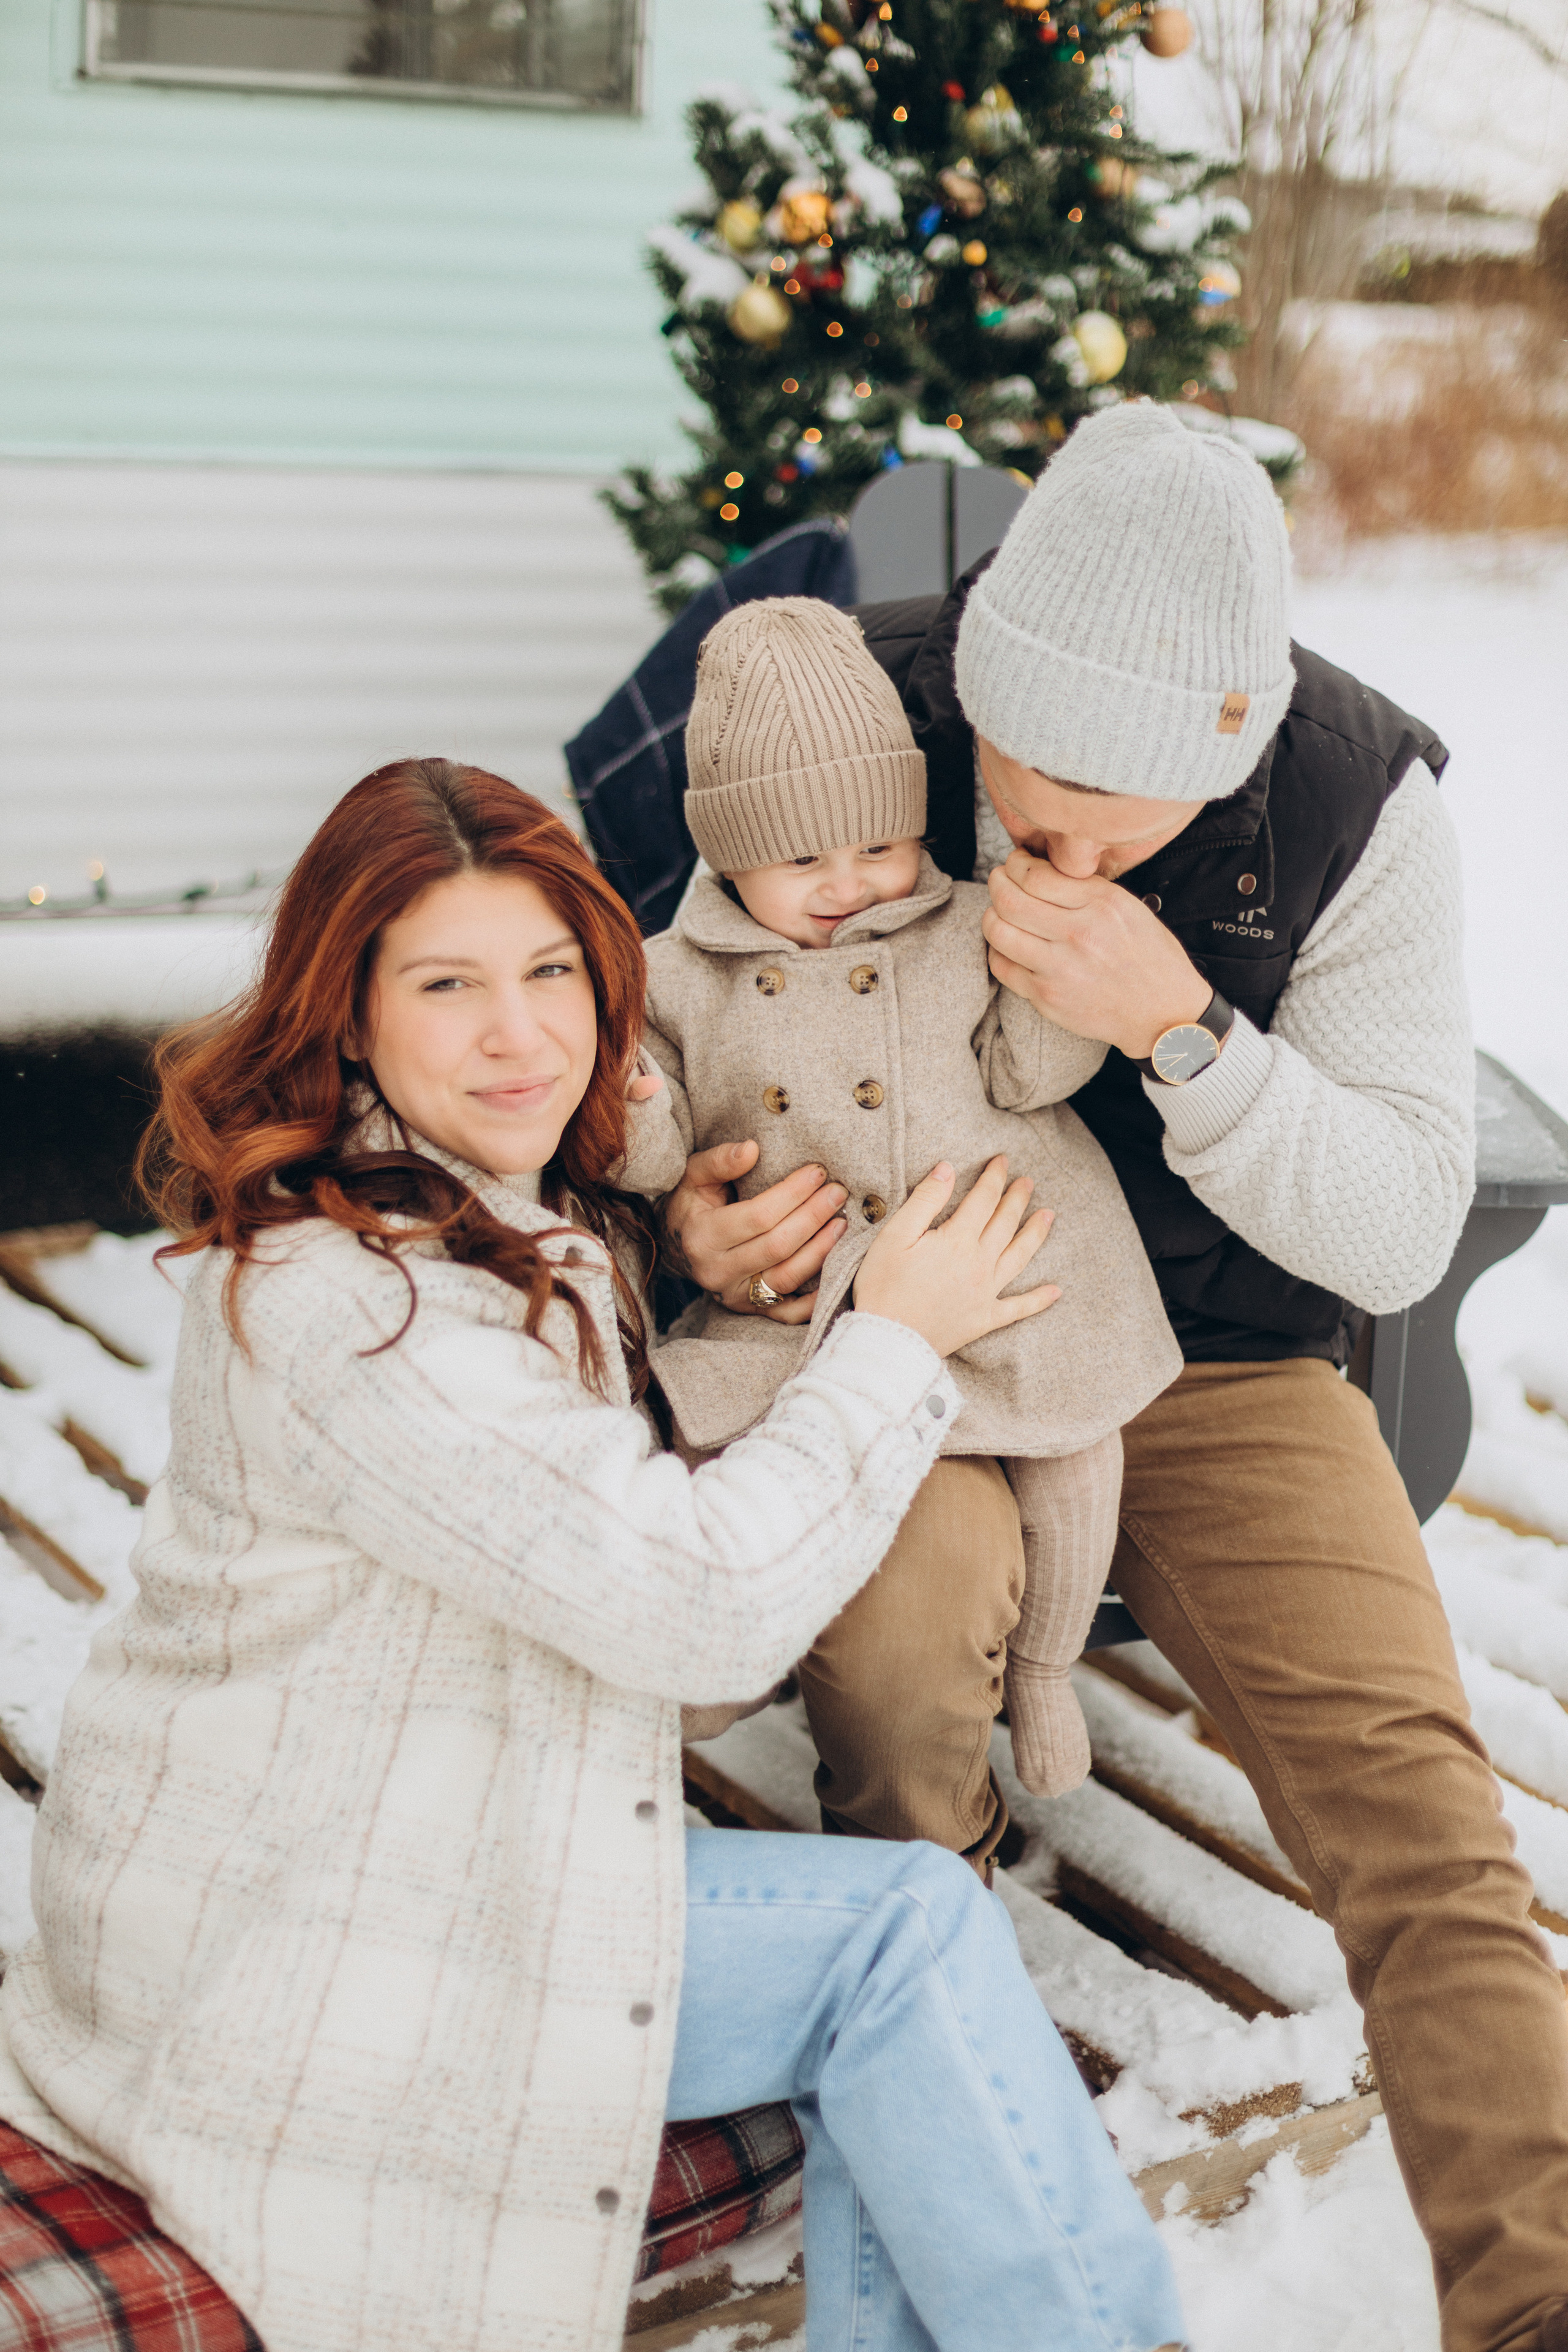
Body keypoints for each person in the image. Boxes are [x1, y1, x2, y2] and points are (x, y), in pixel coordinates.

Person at [0, 759, 1184, 2352]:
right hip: (313, 1943)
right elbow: (695, 1607)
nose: (523, 1032)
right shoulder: (343, 1309)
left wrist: (676, 1243)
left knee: (901, 1951)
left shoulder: (454, 1197)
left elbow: (551, 1363)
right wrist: (894, 1336)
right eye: (449, 985)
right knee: (907, 1941)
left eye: (552, 970)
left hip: (408, 1843)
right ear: (346, 1014)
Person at [660, 403, 1568, 2352]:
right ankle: (925, 2073)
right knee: (907, 1677)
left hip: (1219, 1361)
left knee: (1421, 1820)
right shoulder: (859, 711)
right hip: (895, 1327)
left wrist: (1186, 1030)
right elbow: (626, 1038)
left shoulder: (1353, 800)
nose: (1045, 850)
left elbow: (1405, 1222)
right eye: (1018, 797)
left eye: (1110, 827)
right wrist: (691, 1231)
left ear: (1230, 748)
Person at [620, 595, 1180, 1809]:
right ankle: (721, 1657)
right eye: (799, 858)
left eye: (877, 847)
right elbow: (648, 1150)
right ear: (725, 853)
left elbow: (1031, 1074)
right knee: (720, 1453)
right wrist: (627, 1095)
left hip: (1005, 1258)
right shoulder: (670, 980)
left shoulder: (969, 922)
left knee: (1075, 1447)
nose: (847, 884)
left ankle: (1042, 1670)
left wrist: (1045, 979)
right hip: (805, 1309)